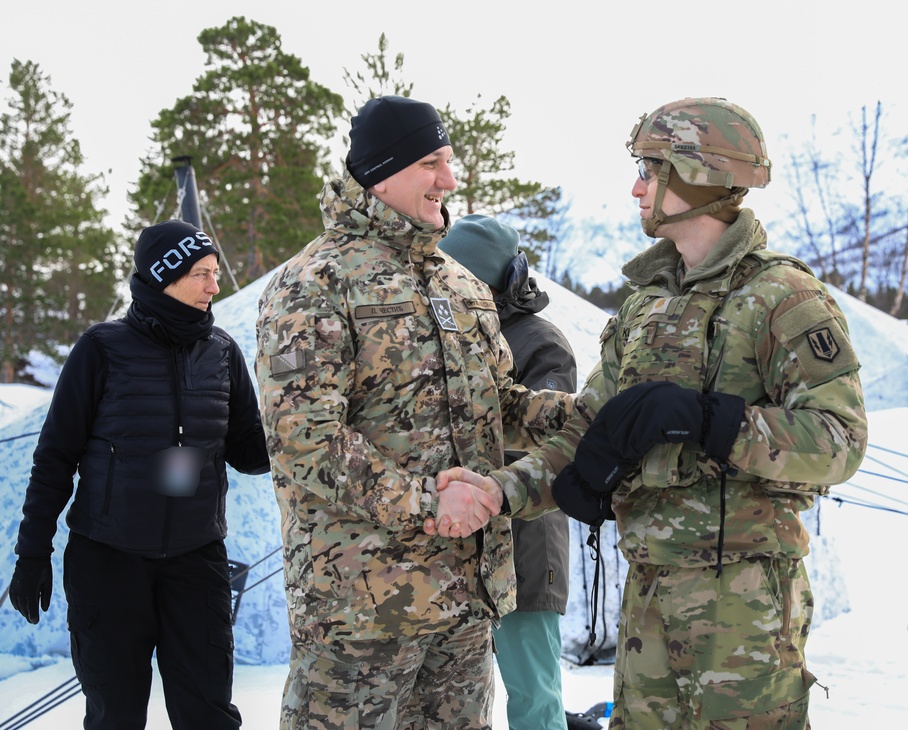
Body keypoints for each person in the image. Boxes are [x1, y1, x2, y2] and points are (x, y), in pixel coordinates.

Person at [434, 97, 869, 728]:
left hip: (743, 602)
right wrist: (500, 491)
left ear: (695, 175)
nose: (637, 186)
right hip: (648, 597)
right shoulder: (645, 306)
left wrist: (712, 421)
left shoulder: (781, 298)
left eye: (650, 168)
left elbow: (840, 440)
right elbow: (588, 431)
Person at [254, 95, 575, 730]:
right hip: (361, 614)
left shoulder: (459, 284)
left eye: (449, 161)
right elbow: (305, 441)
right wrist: (430, 504)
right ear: (384, 168)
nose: (449, 181)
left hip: (466, 604)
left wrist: (585, 417)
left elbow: (498, 403)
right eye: (432, 162)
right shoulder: (313, 283)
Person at [7, 219, 270, 729]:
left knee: (208, 714)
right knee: (115, 715)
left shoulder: (221, 352)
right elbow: (55, 456)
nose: (215, 286)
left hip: (197, 563)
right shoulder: (101, 349)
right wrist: (32, 551)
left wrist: (296, 427)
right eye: (201, 274)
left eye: (216, 273)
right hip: (108, 561)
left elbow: (247, 452)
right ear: (163, 276)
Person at [438, 214, 577, 730]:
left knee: (533, 696)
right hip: (457, 550)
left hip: (523, 542)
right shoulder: (447, 333)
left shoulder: (539, 342)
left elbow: (547, 441)